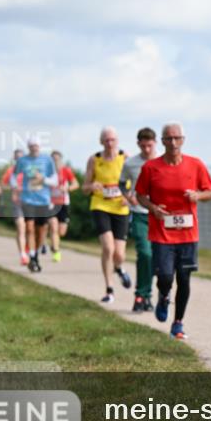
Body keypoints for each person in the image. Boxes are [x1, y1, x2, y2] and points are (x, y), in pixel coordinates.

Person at [135, 122, 211, 340]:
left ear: (183, 140)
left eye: (177, 138)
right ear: (162, 142)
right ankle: (163, 295)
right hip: (162, 232)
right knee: (164, 276)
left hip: (188, 233)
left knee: (184, 277)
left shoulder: (195, 165)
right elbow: (140, 195)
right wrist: (152, 208)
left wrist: (198, 196)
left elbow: (210, 191)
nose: (173, 143)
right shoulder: (151, 168)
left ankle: (178, 323)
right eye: (168, 139)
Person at [83, 127, 133, 303]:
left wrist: (130, 197)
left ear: (117, 141)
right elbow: (84, 187)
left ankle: (119, 268)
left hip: (120, 207)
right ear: (101, 142)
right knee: (108, 248)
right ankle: (109, 289)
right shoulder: (94, 160)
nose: (110, 143)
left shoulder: (125, 157)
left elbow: (137, 181)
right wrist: (92, 186)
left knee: (119, 254)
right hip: (100, 205)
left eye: (112, 140)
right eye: (106, 140)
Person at [121, 127, 158, 313]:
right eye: (143, 146)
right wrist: (129, 196)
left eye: (149, 145)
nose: (146, 149)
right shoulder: (131, 163)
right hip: (139, 213)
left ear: (155, 143)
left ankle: (147, 295)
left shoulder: (162, 161)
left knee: (157, 258)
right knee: (145, 253)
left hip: (159, 215)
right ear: (138, 144)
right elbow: (121, 182)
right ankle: (140, 294)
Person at [11, 138, 59, 272]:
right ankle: (31, 256)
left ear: (40, 147)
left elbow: (55, 180)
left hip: (43, 200)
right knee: (30, 228)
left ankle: (35, 254)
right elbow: (13, 176)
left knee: (41, 230)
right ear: (28, 147)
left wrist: (43, 179)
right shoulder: (23, 161)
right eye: (32, 146)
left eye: (36, 146)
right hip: (27, 199)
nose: (34, 148)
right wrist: (15, 186)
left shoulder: (47, 160)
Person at [48, 150, 79, 263]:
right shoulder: (48, 172)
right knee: (53, 226)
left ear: (61, 160)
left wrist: (67, 188)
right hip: (51, 204)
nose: (55, 161)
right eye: (53, 159)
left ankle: (53, 244)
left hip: (64, 203)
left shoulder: (66, 171)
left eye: (57, 159)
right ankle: (56, 251)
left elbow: (76, 184)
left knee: (62, 232)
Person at [2, 149, 30, 265]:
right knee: (20, 227)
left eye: (21, 157)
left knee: (29, 229)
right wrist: (12, 188)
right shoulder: (10, 171)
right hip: (17, 203)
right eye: (16, 157)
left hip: (30, 203)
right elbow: (2, 185)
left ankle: (28, 248)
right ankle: (23, 254)